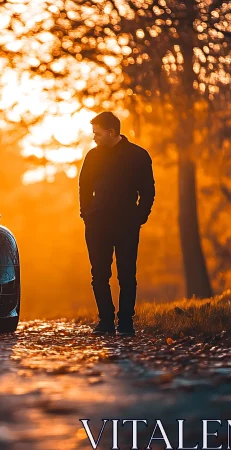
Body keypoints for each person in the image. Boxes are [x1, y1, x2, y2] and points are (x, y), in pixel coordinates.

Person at [79, 112, 155, 336]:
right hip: (97, 225)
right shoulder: (92, 156)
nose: (94, 138)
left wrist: (139, 217)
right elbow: (84, 187)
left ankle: (125, 323)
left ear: (112, 132)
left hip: (126, 226)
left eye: (97, 133)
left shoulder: (138, 156)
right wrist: (86, 214)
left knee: (127, 275)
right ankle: (105, 321)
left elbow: (148, 191)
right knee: (99, 275)